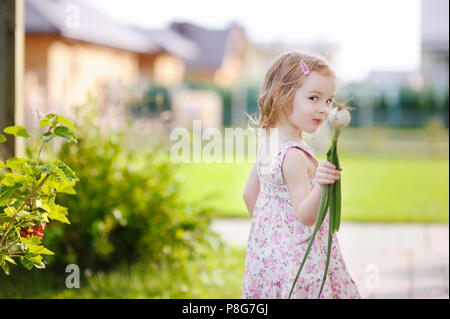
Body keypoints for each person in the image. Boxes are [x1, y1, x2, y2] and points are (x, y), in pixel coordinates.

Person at [241, 50, 361, 299]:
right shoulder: (294, 155)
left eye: (328, 101)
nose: (324, 109)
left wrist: (273, 238)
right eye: (314, 98)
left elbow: (249, 195)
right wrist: (320, 183)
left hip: (270, 259)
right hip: (300, 261)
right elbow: (306, 215)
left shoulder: (269, 144)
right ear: (282, 96)